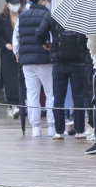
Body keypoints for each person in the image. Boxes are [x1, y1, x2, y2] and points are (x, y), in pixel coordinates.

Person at [37, 8, 89, 139]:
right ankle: (80, 131)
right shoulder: (82, 12)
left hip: (59, 62)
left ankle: (59, 131)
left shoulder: (52, 14)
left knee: (58, 98)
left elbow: (39, 33)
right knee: (78, 98)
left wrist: (45, 43)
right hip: (79, 63)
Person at [14, 0, 54, 136]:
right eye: (47, 0)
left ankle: (35, 128)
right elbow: (51, 37)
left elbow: (16, 38)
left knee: (32, 94)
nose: (49, 2)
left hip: (27, 62)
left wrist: (18, 54)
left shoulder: (22, 17)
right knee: (50, 93)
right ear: (41, 1)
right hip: (45, 60)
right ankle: (52, 126)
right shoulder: (48, 15)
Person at [0, 0, 23, 118]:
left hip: (21, 53)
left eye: (17, 3)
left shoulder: (23, 16)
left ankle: (20, 104)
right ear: (7, 5)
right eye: (13, 3)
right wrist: (5, 44)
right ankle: (12, 104)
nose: (16, 5)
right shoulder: (2, 19)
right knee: (10, 79)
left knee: (22, 78)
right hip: (8, 54)